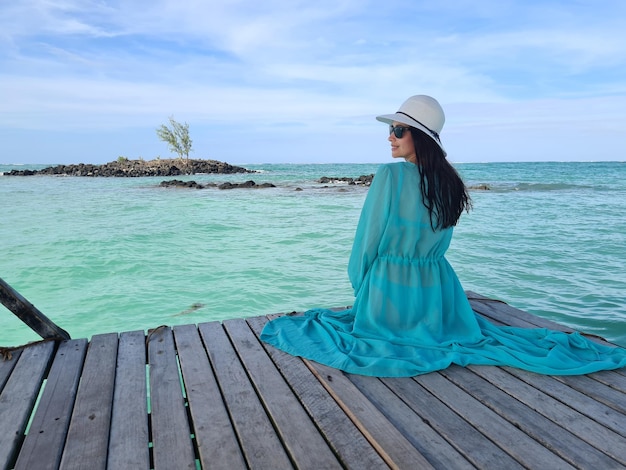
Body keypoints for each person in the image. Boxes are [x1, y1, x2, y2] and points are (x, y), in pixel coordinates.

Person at [260, 95, 626, 377]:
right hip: (438, 293)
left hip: (389, 291)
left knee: (325, 332)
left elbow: (366, 243)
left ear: (418, 136)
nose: (391, 136)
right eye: (391, 129)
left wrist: (362, 288)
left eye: (399, 130)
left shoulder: (389, 176)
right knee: (482, 340)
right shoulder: (450, 182)